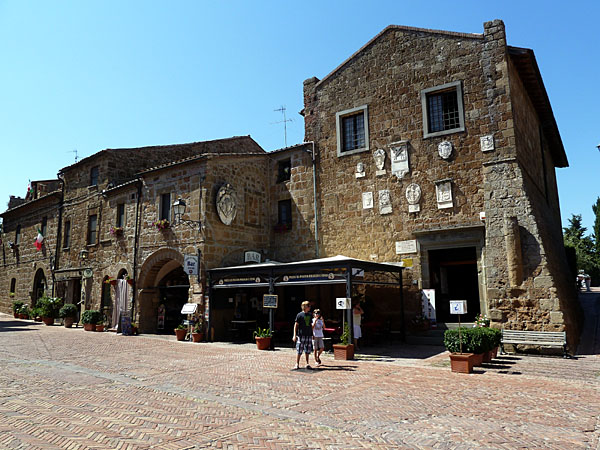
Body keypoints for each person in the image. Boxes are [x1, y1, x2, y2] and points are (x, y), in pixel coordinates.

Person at [293, 301, 313, 369]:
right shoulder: (299, 315)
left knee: (308, 350)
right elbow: (296, 325)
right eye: (308, 306)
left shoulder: (310, 315)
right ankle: (297, 363)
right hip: (301, 335)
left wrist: (312, 334)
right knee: (299, 350)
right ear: (305, 307)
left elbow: (310, 325)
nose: (310, 307)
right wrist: (294, 335)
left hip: (308, 335)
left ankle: (307, 363)